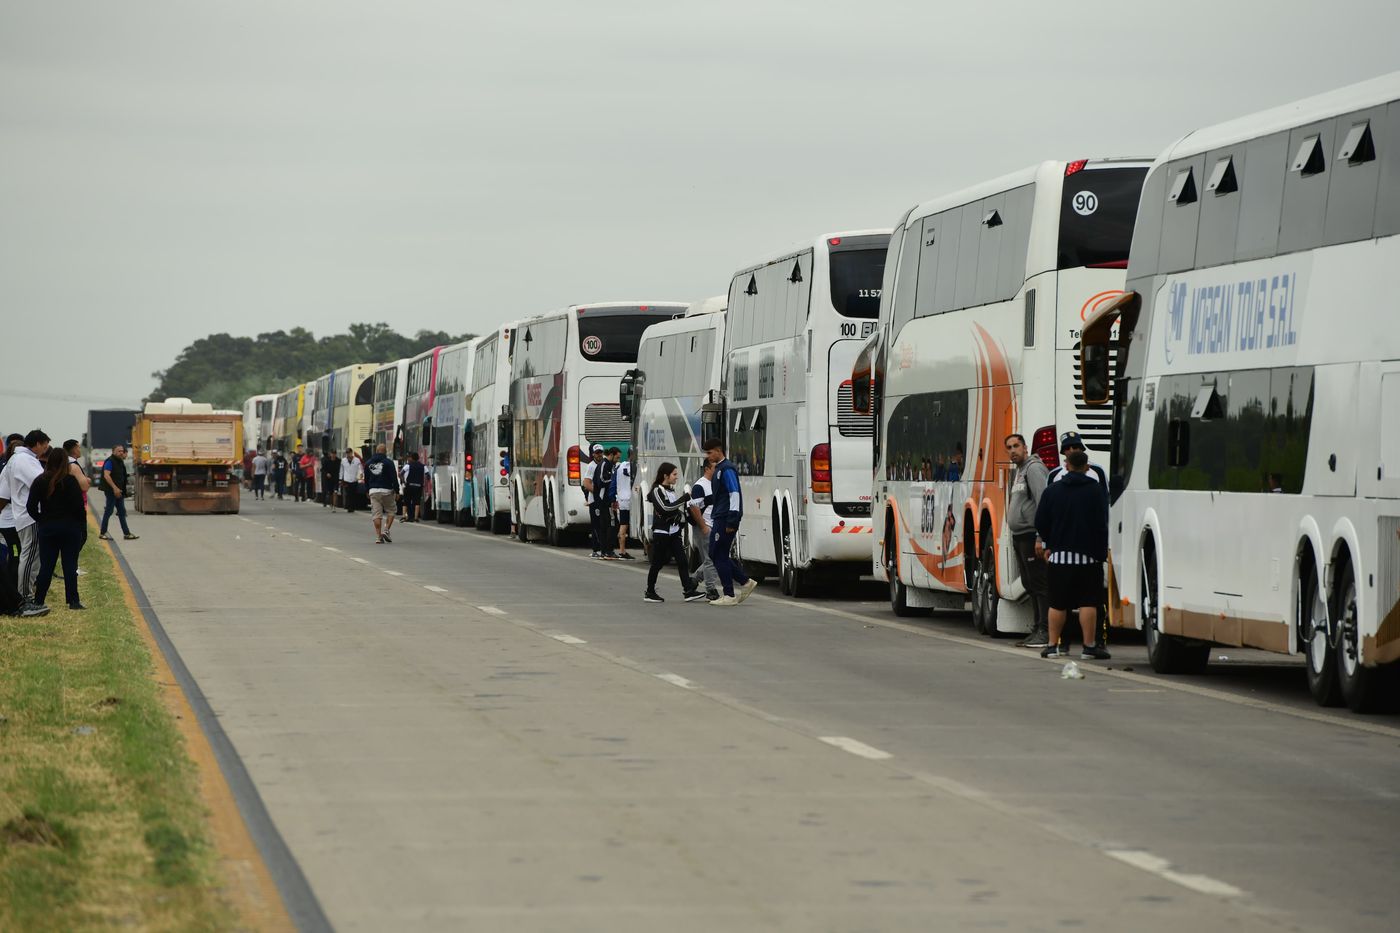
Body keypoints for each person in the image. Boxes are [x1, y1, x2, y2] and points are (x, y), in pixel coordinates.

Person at [1033, 449, 1111, 660]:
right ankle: (1089, 646)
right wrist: (1100, 551)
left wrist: (1049, 543)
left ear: (1066, 465)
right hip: (1088, 558)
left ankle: (1052, 646)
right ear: (1087, 467)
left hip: (1059, 558)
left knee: (1058, 603)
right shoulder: (1095, 490)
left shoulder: (1053, 491)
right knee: (1088, 602)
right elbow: (1102, 522)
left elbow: (1040, 521)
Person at [27, 447, 88, 610]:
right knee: (70, 565)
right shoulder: (70, 481)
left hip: (48, 528)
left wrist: (42, 520)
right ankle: (73, 601)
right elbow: (79, 507)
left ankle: (39, 599)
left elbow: (30, 506)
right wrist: (81, 526)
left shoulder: (40, 480)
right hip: (70, 528)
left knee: (46, 565)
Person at [1005, 433, 1050, 649]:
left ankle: (1045, 630)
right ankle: (1037, 627)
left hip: (1032, 535)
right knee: (1029, 583)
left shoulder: (1034, 469)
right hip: (1020, 536)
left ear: (1025, 447)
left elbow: (1044, 502)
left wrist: (1041, 537)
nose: (1012, 450)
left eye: (1016, 446)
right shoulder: (1020, 471)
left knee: (1039, 583)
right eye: (1009, 447)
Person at [704, 438, 758, 606]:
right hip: (720, 515)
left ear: (718, 451)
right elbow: (720, 495)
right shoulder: (720, 468)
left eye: (709, 452)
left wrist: (732, 520)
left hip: (726, 517)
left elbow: (734, 494)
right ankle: (744, 582)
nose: (708, 456)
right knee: (716, 553)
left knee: (718, 553)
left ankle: (730, 594)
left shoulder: (726, 469)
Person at [0, 430, 51, 607]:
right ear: (36, 443)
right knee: (29, 558)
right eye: (45, 444)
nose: (46, 448)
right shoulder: (25, 460)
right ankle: (25, 597)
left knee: (27, 556)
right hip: (30, 517)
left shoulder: (15, 460)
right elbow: (41, 483)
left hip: (21, 516)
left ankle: (22, 595)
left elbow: (4, 492)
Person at [643, 463, 704, 603]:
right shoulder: (656, 491)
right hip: (662, 533)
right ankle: (650, 591)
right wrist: (684, 499)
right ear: (666, 476)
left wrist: (679, 517)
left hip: (674, 533)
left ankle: (688, 590)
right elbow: (665, 508)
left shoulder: (670, 490)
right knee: (658, 563)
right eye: (674, 474)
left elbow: (673, 508)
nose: (676, 477)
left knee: (682, 561)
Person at [688, 460, 722, 601]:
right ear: (707, 468)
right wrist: (703, 526)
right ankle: (711, 589)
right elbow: (694, 507)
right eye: (715, 467)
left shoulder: (716, 484)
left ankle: (694, 580)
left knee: (714, 557)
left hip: (713, 526)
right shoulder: (700, 486)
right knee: (710, 559)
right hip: (704, 526)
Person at [97, 443, 138, 541]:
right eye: (118, 451)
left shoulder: (119, 462)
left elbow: (119, 475)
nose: (121, 453)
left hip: (119, 491)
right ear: (113, 452)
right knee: (109, 511)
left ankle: (127, 533)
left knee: (121, 512)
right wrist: (115, 488)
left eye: (122, 451)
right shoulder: (110, 461)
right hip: (112, 491)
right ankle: (102, 533)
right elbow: (107, 475)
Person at [364, 444, 401, 543]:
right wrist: (397, 491)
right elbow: (394, 477)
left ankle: (378, 536)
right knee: (391, 510)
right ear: (385, 452)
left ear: (376, 451)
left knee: (376, 514)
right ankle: (386, 530)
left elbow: (366, 479)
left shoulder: (368, 463)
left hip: (373, 491)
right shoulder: (388, 462)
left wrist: (367, 490)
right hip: (386, 491)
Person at [594, 447, 619, 559]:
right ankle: (606, 550)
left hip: (608, 499)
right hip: (603, 500)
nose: (617, 460)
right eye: (617, 457)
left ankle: (607, 550)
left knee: (609, 525)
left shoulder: (611, 465)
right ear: (612, 455)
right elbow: (602, 480)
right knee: (608, 525)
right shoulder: (604, 464)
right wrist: (614, 481)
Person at [582, 445, 607, 557]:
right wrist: (597, 493)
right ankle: (596, 550)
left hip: (603, 500)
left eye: (600, 452)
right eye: (597, 453)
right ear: (593, 454)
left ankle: (604, 548)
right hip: (594, 500)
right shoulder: (591, 466)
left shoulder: (604, 464)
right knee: (596, 525)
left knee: (604, 525)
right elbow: (586, 483)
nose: (599, 455)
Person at [612, 453, 635, 560]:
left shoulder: (619, 466)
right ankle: (623, 551)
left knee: (623, 524)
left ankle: (622, 550)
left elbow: (614, 482)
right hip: (631, 499)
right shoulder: (635, 467)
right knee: (627, 524)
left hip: (621, 498)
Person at [401, 452, 425, 522]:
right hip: (418, 486)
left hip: (409, 485)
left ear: (411, 458)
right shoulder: (423, 466)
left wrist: (403, 482)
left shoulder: (407, 466)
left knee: (406, 501)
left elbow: (401, 473)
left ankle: (405, 516)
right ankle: (416, 517)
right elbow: (427, 475)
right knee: (417, 502)